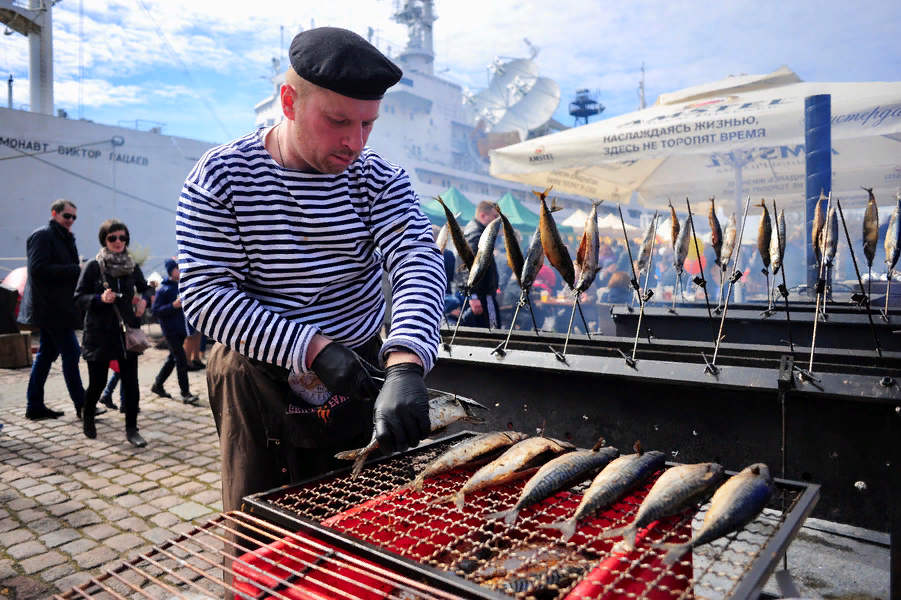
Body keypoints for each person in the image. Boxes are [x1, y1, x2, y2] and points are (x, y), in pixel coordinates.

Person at [175, 26, 445, 539]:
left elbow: (417, 260)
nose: (354, 142)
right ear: (290, 102)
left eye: (368, 124)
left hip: (361, 366)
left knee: (370, 525)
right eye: (338, 121)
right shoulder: (221, 178)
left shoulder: (380, 179)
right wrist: (312, 347)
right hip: (257, 372)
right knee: (262, 531)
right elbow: (206, 299)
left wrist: (406, 363)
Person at [74, 219, 150, 447]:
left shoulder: (131, 265)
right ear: (104, 240)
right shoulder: (93, 266)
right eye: (112, 238)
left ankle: (132, 429)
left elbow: (145, 287)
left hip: (126, 331)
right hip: (99, 333)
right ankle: (87, 415)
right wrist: (99, 298)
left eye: (122, 237)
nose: (118, 242)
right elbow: (78, 298)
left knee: (131, 383)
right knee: (97, 382)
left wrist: (144, 300)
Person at [19, 199, 91, 420]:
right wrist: (76, 269)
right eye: (66, 216)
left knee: (45, 355)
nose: (70, 221)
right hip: (50, 308)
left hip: (58, 307)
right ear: (54, 214)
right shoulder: (43, 235)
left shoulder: (64, 237)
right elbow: (38, 269)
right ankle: (82, 404)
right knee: (71, 352)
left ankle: (34, 405)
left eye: (73, 217)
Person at [150, 258, 200, 404]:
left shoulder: (182, 286)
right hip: (170, 330)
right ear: (171, 271)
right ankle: (185, 393)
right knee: (181, 360)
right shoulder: (164, 289)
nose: (180, 271)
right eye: (177, 268)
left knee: (172, 359)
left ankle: (157, 385)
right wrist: (173, 306)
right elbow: (156, 311)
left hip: (181, 329)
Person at [460, 201, 501, 328]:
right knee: (493, 333)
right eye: (495, 217)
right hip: (481, 295)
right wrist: (473, 296)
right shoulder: (476, 234)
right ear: (483, 215)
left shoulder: (478, 232)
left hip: (481, 294)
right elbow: (468, 266)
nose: (497, 221)